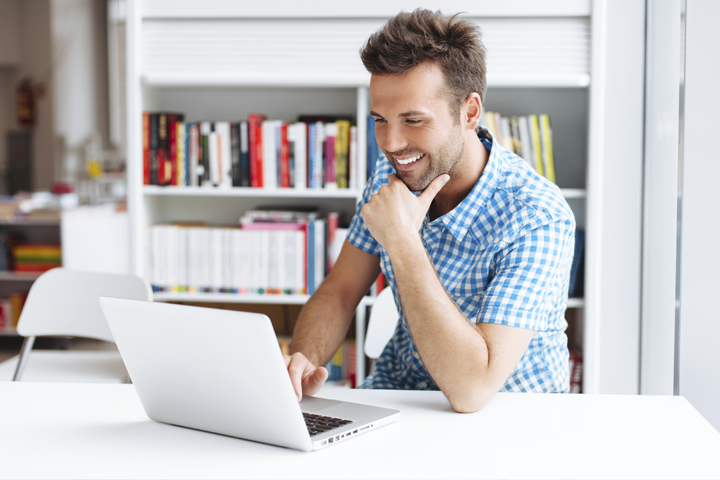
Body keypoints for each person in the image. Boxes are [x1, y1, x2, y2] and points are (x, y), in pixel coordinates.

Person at [285, 9, 575, 413]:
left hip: (507, 413)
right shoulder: (392, 177)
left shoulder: (536, 216)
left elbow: (473, 391)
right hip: (400, 393)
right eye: (380, 120)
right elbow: (341, 290)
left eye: (413, 120)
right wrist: (303, 360)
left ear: (470, 112)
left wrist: (403, 241)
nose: (392, 142)